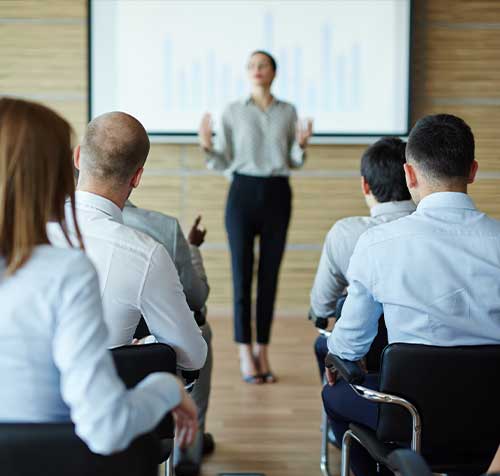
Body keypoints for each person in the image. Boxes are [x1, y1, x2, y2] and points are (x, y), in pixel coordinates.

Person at [0, 97, 197, 454]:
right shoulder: (68, 271)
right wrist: (166, 387)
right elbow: (106, 428)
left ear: (78, 160)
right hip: (57, 467)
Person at [322, 114, 500, 476]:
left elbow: (349, 346)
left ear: (409, 174)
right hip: (489, 416)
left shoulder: (378, 244)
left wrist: (335, 360)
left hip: (409, 417)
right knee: (475, 425)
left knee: (333, 396)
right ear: (472, 171)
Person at [48, 111, 207, 371]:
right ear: (137, 177)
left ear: (77, 157)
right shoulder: (147, 255)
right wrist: (148, 344)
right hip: (103, 404)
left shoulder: (28, 229)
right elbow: (193, 356)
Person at [198, 50, 313, 383]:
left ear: (274, 72)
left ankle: (263, 348)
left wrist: (301, 146)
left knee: (270, 274)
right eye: (251, 66)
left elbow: (292, 160)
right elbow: (223, 160)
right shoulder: (233, 111)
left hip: (278, 191)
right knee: (241, 273)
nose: (257, 70)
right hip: (242, 193)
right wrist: (207, 146)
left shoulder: (288, 110)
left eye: (262, 65)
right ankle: (244, 350)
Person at [310, 137, 415, 379]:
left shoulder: (346, 233)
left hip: (365, 367)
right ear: (413, 178)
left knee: (323, 346)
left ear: (365, 186)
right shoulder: (439, 231)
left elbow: (321, 307)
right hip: (438, 369)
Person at [122, 204, 215, 454]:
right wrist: (193, 249)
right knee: (200, 334)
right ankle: (189, 447)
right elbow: (196, 297)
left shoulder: (51, 227)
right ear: (135, 177)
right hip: (148, 356)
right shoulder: (163, 230)